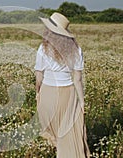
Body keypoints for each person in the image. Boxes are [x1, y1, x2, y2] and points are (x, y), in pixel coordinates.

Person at [35, 12, 90, 158]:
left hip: (48, 92)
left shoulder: (43, 48)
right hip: (68, 95)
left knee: (53, 130)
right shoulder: (76, 50)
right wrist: (82, 102)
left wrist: (38, 92)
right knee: (68, 134)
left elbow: (39, 76)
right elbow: (77, 79)